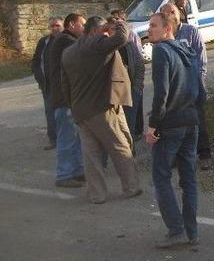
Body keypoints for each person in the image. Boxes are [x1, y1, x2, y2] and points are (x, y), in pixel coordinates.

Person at [61, 16, 140, 204]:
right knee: (120, 146)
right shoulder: (96, 43)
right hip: (101, 108)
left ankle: (97, 194)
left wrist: (73, 106)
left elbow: (64, 85)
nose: (107, 36)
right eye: (105, 32)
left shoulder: (68, 52)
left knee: (91, 155)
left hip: (80, 110)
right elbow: (122, 38)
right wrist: (119, 23)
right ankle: (131, 187)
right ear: (97, 31)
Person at [145, 13, 200, 248]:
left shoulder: (161, 51)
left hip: (171, 124)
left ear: (168, 28)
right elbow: (199, 87)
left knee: (161, 176)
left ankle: (177, 230)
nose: (149, 29)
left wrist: (153, 125)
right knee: (188, 178)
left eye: (153, 25)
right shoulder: (186, 50)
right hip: (191, 120)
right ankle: (191, 231)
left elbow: (161, 93)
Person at [160, 3, 213, 170]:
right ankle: (178, 156)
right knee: (174, 122)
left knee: (198, 120)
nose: (170, 14)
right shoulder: (163, 36)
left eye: (172, 11)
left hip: (193, 86)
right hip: (173, 90)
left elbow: (201, 60)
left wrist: (197, 84)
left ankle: (204, 154)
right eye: (165, 12)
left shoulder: (190, 31)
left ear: (179, 13)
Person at [46, 13, 86, 188]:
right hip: (64, 100)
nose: (84, 28)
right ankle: (64, 174)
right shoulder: (65, 41)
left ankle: (77, 171)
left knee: (75, 137)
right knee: (66, 138)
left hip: (70, 99)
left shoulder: (65, 40)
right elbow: (84, 49)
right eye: (82, 25)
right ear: (72, 24)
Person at [108, 11, 145, 143]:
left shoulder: (129, 45)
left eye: (116, 29)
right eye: (111, 29)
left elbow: (140, 66)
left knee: (128, 126)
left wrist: (136, 89)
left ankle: (130, 156)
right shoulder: (106, 48)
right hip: (113, 96)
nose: (114, 32)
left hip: (131, 92)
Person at [31, 16, 63, 150]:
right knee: (50, 113)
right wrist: (40, 78)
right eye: (52, 26)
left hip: (64, 85)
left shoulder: (68, 41)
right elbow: (36, 62)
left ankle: (68, 140)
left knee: (65, 115)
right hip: (48, 85)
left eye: (57, 26)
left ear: (63, 26)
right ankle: (53, 140)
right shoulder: (44, 42)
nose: (55, 28)